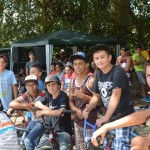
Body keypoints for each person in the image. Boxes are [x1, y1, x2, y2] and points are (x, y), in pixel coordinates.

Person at [83, 44, 134, 150]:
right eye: (96, 58)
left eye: (102, 57)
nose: (99, 60)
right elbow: (96, 96)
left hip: (123, 117)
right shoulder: (97, 73)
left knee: (120, 147)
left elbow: (116, 94)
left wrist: (105, 117)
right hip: (109, 119)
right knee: (107, 146)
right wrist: (88, 108)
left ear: (109, 57)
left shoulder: (118, 71)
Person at [91, 60, 150, 150]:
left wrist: (106, 126)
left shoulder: (118, 72)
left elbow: (141, 117)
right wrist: (145, 141)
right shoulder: (98, 74)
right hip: (115, 120)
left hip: (121, 117)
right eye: (149, 75)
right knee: (137, 141)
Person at [69, 52, 100, 150]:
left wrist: (83, 96)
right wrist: (76, 110)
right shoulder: (72, 82)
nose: (77, 67)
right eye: (75, 64)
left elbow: (99, 102)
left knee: (90, 147)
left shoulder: (91, 81)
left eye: (80, 64)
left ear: (86, 64)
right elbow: (70, 101)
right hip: (77, 122)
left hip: (90, 122)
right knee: (80, 147)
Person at [34, 74, 72, 150]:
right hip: (49, 132)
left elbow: (60, 112)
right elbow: (35, 103)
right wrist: (44, 108)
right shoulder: (48, 95)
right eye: (48, 85)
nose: (51, 87)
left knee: (63, 148)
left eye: (53, 84)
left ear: (58, 85)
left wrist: (43, 112)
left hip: (62, 131)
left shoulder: (63, 96)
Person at [8, 75, 46, 150]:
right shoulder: (26, 94)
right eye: (28, 85)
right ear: (25, 87)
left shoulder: (42, 94)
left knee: (27, 141)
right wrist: (24, 105)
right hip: (33, 121)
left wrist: (18, 106)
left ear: (37, 85)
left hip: (42, 122)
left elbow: (32, 106)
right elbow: (11, 103)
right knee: (23, 140)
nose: (31, 87)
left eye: (33, 84)